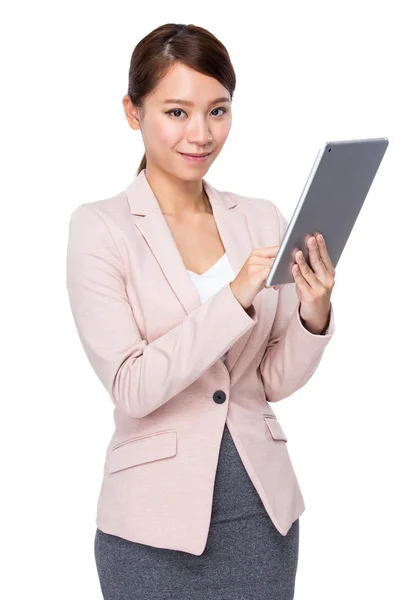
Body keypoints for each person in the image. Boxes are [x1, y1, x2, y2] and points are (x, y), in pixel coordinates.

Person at [66, 22, 336, 600]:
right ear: (133, 112)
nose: (201, 134)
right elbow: (132, 386)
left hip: (261, 514)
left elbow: (269, 380)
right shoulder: (100, 228)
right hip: (149, 526)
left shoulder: (261, 218)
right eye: (177, 111)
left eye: (218, 111)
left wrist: (314, 314)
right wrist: (233, 297)